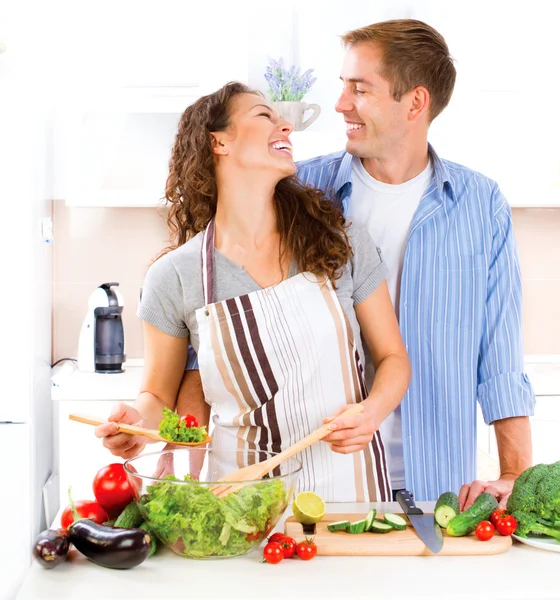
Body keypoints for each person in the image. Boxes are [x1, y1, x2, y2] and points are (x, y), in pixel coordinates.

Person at [95, 82, 411, 502]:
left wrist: (372, 412)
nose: (285, 125)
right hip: (243, 505)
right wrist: (136, 426)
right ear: (219, 141)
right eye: (265, 115)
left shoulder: (341, 242)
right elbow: (157, 397)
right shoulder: (175, 277)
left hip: (350, 499)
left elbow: (394, 359)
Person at [295, 19, 535, 508]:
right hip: (316, 483)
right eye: (344, 86)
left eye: (359, 89)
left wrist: (516, 476)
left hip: (436, 490)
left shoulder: (479, 203)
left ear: (415, 103)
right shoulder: (300, 192)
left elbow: (500, 358)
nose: (341, 104)